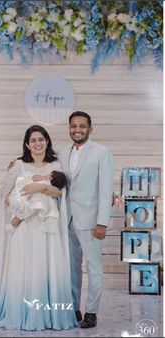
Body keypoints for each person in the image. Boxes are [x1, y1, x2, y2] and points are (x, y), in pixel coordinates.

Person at [0, 125, 77, 330]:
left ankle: (46, 314)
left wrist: (41, 188)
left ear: (47, 141)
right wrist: (21, 207)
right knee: (25, 266)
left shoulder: (56, 164)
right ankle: (21, 311)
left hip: (46, 226)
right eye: (33, 140)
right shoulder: (18, 165)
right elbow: (5, 195)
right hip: (24, 227)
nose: (38, 143)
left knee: (45, 267)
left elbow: (59, 193)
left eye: (41, 139)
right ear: (27, 144)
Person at [59, 111, 114, 329]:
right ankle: (74, 309)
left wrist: (102, 222)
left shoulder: (102, 152)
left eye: (82, 126)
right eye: (73, 126)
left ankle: (91, 312)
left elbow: (106, 189)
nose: (77, 130)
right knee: (71, 268)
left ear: (90, 128)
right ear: (69, 128)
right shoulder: (62, 153)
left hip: (91, 221)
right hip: (68, 219)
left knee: (93, 267)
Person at [6, 170, 67, 235]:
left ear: (50, 177)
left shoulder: (43, 180)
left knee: (21, 213)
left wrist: (40, 177)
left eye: (48, 174)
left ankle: (12, 225)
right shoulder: (50, 190)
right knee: (23, 214)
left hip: (26, 200)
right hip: (36, 206)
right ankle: (12, 225)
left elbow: (34, 177)